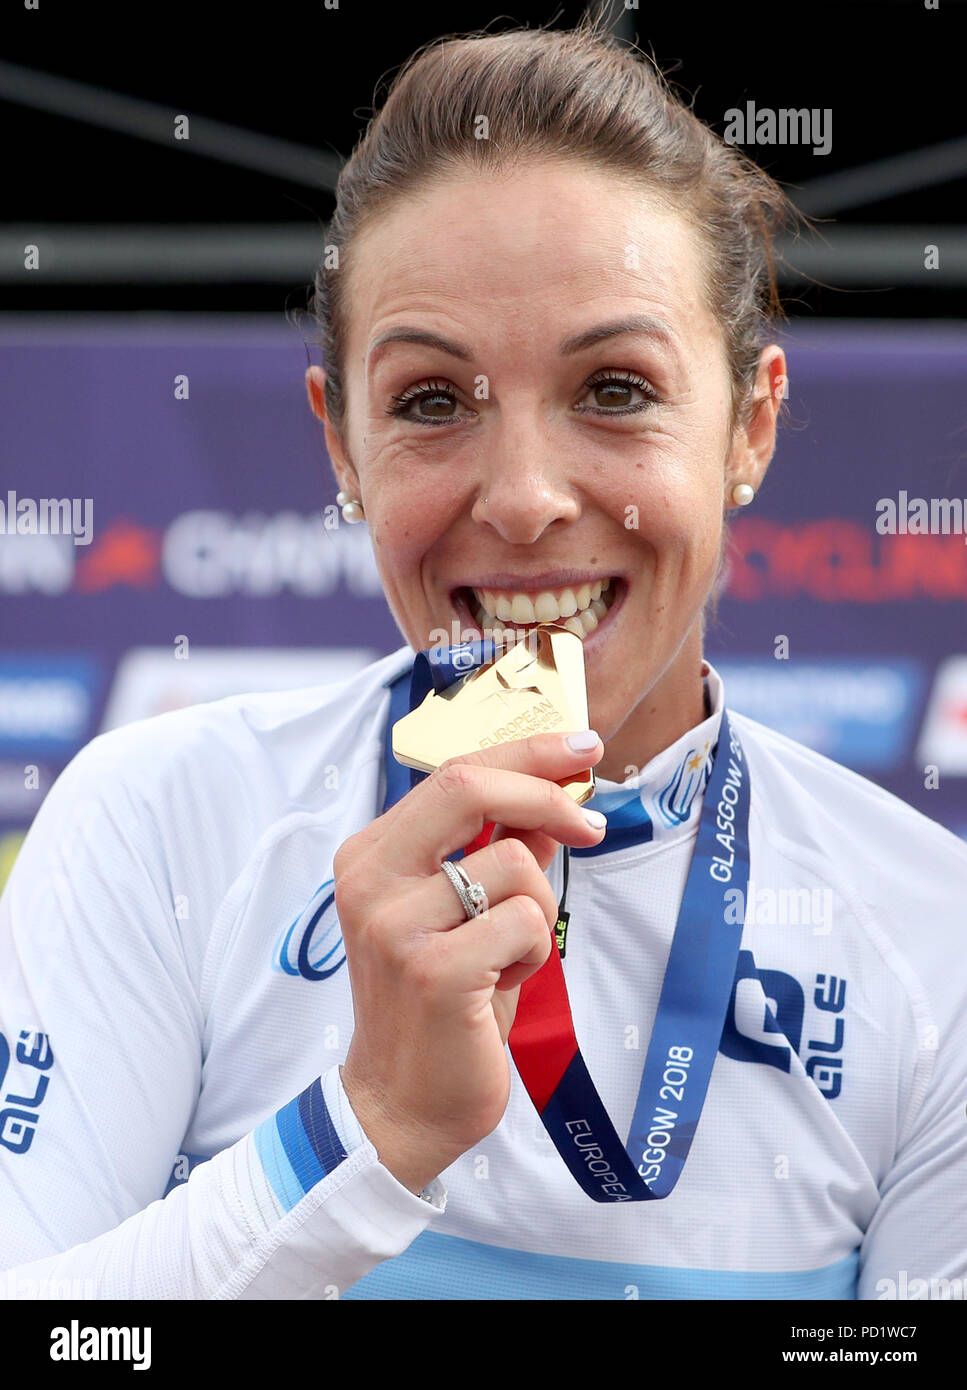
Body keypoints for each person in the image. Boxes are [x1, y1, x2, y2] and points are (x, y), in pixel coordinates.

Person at [2, 17, 966, 1302]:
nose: (520, 499)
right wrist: (363, 1133)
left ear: (750, 424)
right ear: (341, 447)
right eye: (431, 401)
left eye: (614, 387)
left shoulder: (932, 936)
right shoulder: (159, 826)